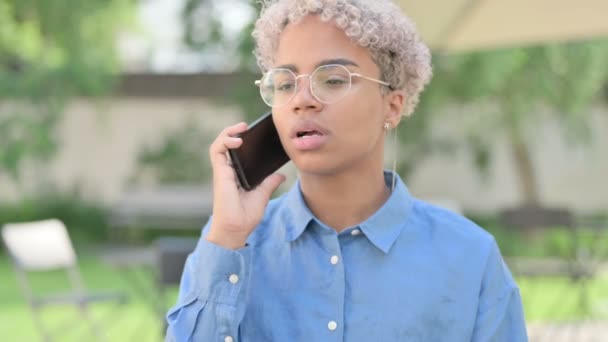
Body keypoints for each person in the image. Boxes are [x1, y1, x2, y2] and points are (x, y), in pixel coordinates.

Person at [165, 0, 528, 341]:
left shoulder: (469, 258)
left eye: (334, 79)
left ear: (393, 105)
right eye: (286, 84)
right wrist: (227, 234)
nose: (302, 99)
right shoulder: (231, 247)